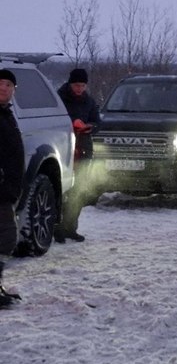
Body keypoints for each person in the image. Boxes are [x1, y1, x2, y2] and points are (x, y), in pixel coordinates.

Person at [55, 68, 100, 243]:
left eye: (82, 85)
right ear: (70, 84)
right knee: (62, 190)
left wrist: (90, 127)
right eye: (76, 85)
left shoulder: (89, 101)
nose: (79, 89)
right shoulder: (59, 99)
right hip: (64, 148)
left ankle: (71, 227)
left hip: (84, 148)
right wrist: (71, 125)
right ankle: (57, 227)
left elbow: (97, 122)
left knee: (79, 189)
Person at [0, 69, 24, 307]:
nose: (4, 88)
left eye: (9, 85)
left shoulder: (7, 114)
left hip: (7, 189)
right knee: (6, 237)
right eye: (0, 84)